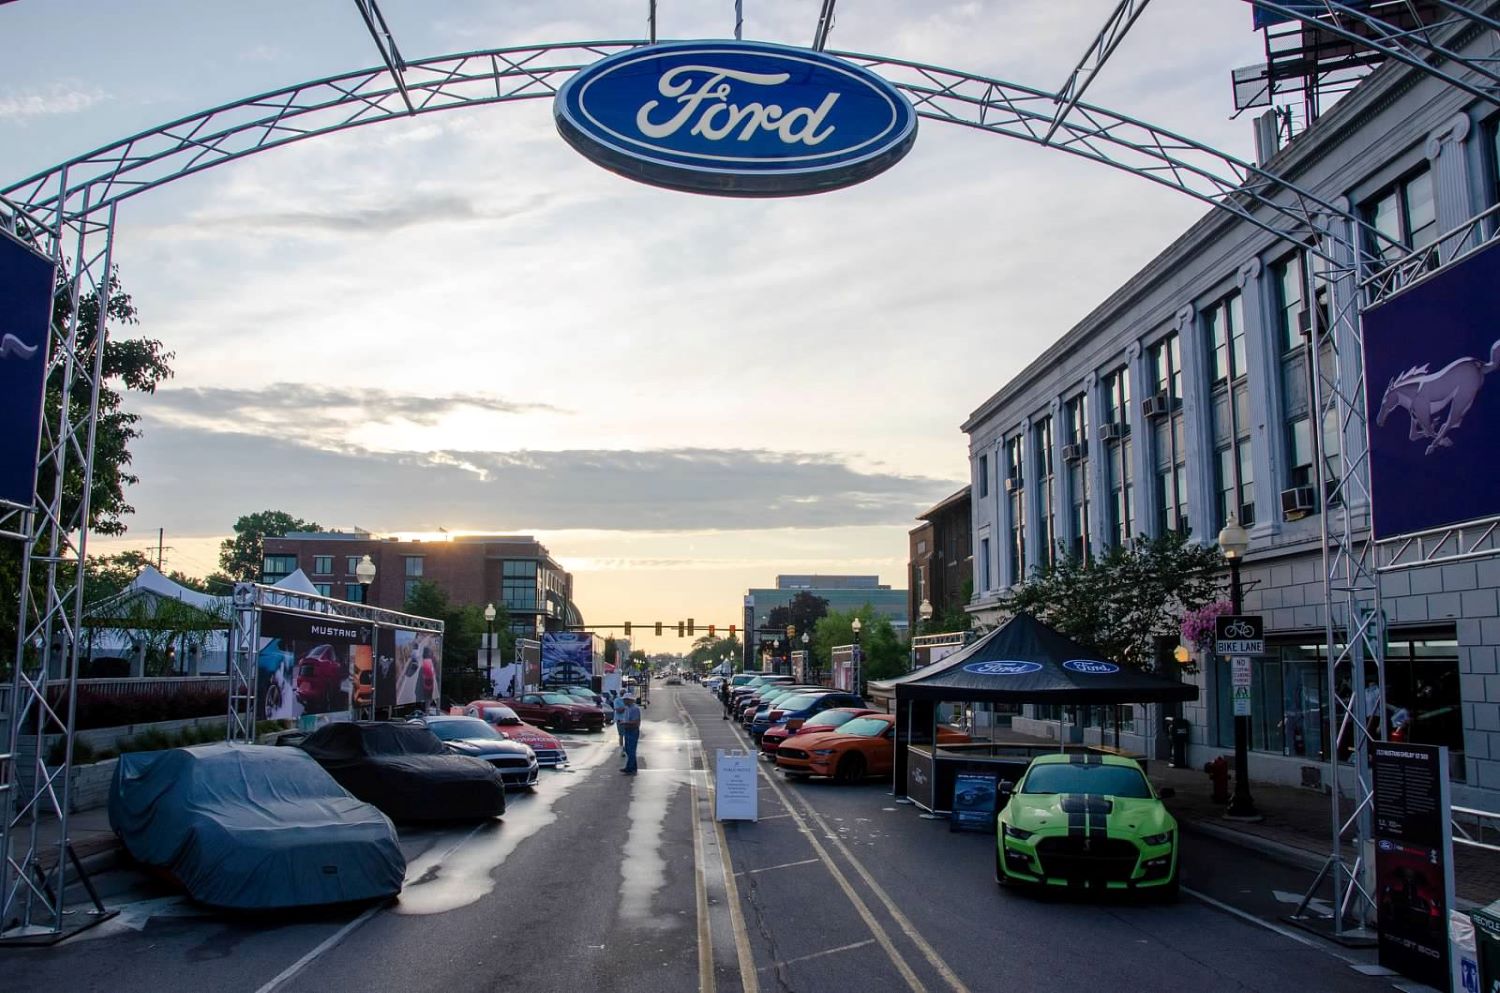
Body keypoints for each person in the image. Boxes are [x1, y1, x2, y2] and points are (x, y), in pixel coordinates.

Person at [619, 693, 642, 775]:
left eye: (625, 700)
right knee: (628, 750)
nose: (624, 701)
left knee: (631, 750)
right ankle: (632, 767)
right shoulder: (628, 708)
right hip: (628, 730)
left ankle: (631, 768)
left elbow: (635, 722)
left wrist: (625, 723)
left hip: (632, 730)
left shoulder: (634, 709)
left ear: (629, 700)